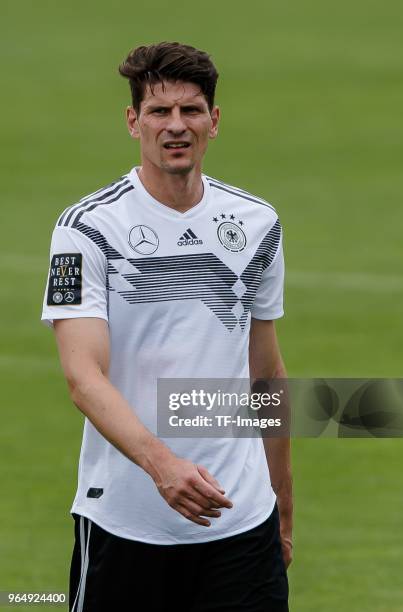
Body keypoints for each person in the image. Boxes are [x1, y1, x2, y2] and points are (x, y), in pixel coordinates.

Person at [41, 41, 293, 612]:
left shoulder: (257, 224)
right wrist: (163, 468)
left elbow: (267, 375)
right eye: (159, 112)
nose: (175, 126)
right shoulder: (86, 229)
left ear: (214, 121)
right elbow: (83, 376)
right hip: (127, 523)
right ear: (134, 122)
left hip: (243, 526)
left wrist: (281, 510)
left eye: (191, 111)